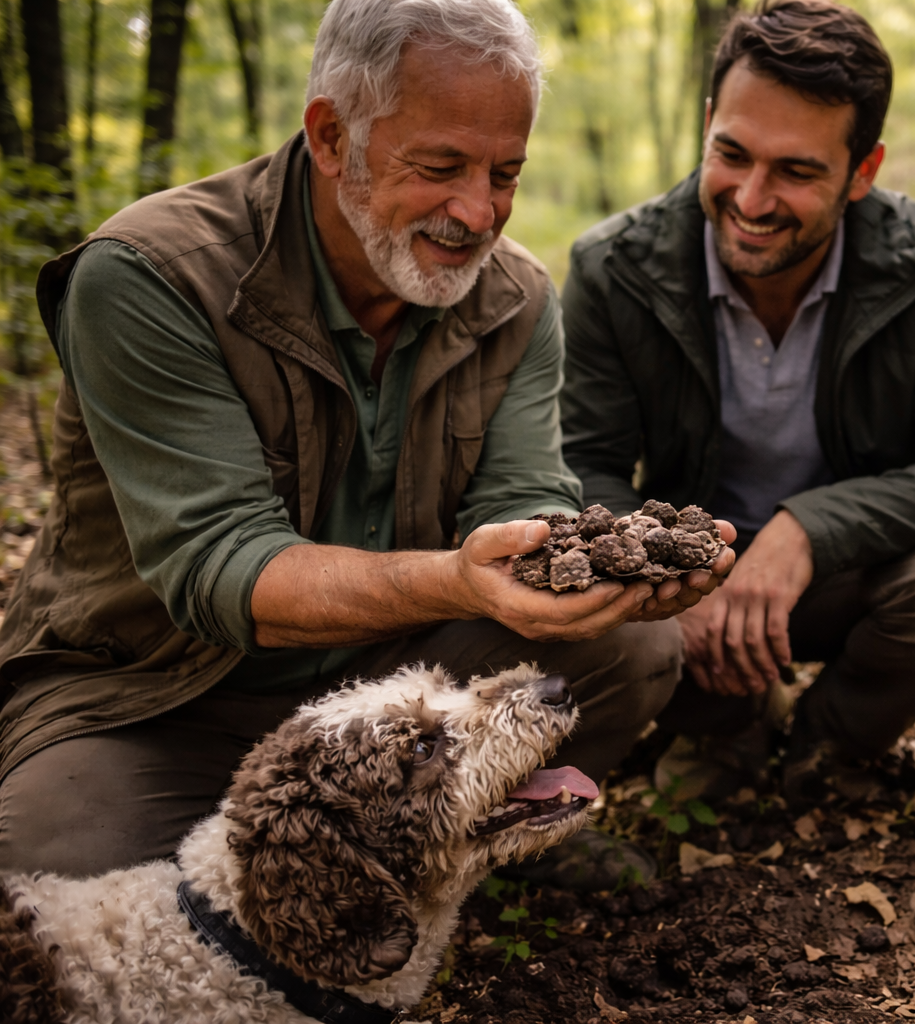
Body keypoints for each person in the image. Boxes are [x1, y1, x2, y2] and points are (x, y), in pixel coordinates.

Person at [0, 0, 733, 886]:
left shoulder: (518, 301)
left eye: (506, 172)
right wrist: (458, 580)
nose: (479, 210)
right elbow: (221, 568)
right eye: (441, 166)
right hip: (157, 696)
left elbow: (522, 496)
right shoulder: (150, 277)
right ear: (331, 135)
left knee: (632, 648)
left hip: (401, 687)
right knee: (52, 870)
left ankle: (451, 850)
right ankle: (339, 854)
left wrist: (575, 563)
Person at [560, 0, 915, 803]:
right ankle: (725, 726)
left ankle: (831, 740)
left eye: (796, 170)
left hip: (847, 579)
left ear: (864, 172)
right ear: (708, 122)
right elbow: (579, 468)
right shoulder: (613, 267)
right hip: (695, 581)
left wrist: (810, 528)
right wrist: (671, 581)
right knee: (594, 590)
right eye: (732, 153)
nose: (751, 197)